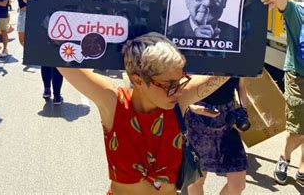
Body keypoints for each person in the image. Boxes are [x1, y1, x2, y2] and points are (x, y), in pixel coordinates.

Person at [57, 33, 229, 194]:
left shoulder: (178, 101)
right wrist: (31, 3)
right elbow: (54, 55)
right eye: (169, 85)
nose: (177, 91)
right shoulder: (114, 103)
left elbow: (234, 66)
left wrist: (256, 18)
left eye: (180, 81)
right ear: (137, 80)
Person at [262, 0, 304, 186]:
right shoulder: (297, 11)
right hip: (298, 75)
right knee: (297, 130)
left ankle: (303, 167)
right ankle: (284, 158)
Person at [186, 78, 248, 195]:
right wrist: (190, 106)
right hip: (197, 120)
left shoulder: (240, 60)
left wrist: (243, 114)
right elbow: (180, 84)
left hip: (228, 121)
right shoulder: (196, 58)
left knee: (237, 184)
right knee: (196, 180)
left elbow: (241, 87)